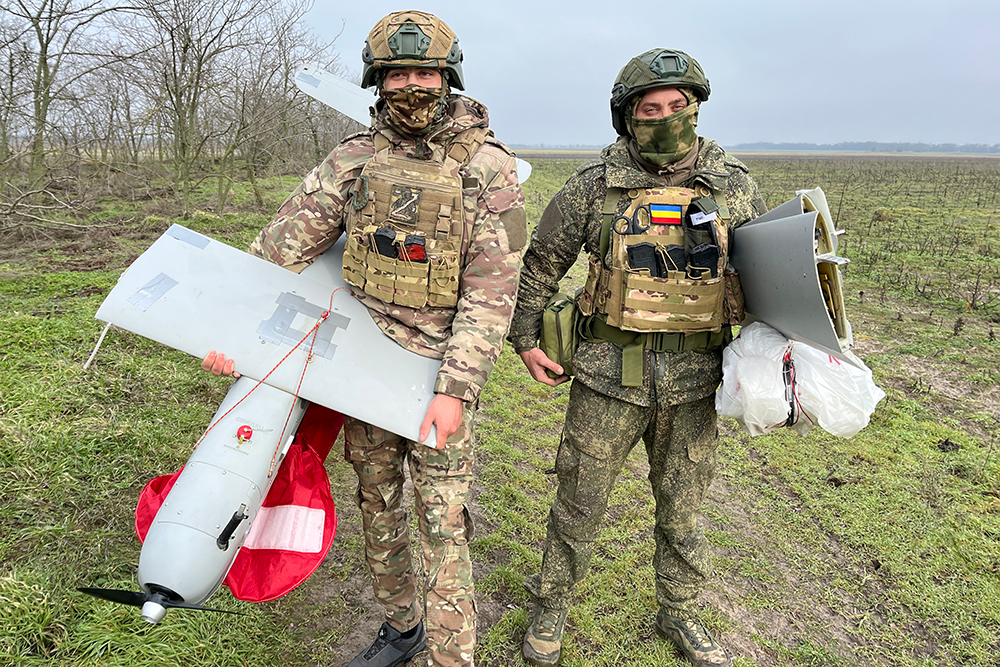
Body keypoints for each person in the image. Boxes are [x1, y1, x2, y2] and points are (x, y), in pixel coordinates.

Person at [203, 11, 526, 667]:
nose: (412, 85)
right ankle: (404, 626)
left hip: (437, 375)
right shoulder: (352, 158)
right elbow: (281, 247)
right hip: (361, 368)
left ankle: (451, 655)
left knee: (442, 520)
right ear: (377, 79)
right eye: (396, 73)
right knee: (378, 505)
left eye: (424, 72)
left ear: (448, 76)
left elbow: (493, 289)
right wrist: (230, 329)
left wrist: (455, 390)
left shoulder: (488, 169)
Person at [507, 49, 766, 667]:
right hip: (606, 378)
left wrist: (783, 359)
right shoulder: (594, 186)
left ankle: (680, 613)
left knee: (686, 509)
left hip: (700, 381)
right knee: (578, 502)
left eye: (680, 106)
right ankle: (551, 606)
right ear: (627, 117)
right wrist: (524, 340)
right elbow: (543, 260)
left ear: (697, 108)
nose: (668, 118)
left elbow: (768, 275)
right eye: (651, 109)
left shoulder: (733, 185)